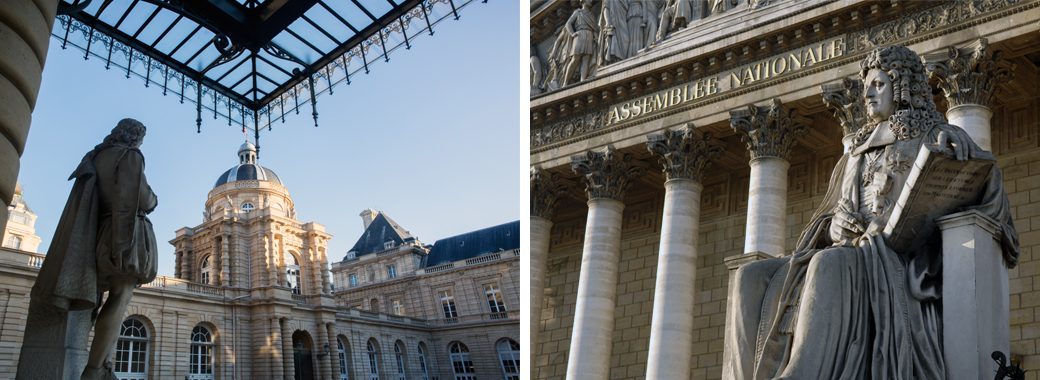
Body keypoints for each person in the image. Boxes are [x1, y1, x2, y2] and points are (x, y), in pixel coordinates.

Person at [722, 45, 1019, 380]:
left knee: (828, 262)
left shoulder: (937, 136)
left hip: (898, 261)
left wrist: (959, 152)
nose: (868, 94)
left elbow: (987, 186)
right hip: (848, 251)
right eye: (866, 86)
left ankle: (800, 373)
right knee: (751, 276)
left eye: (878, 84)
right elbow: (826, 217)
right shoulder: (856, 150)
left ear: (903, 87)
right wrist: (833, 227)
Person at [31, 119, 158, 380]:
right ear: (135, 137)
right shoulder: (130, 155)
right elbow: (142, 198)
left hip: (97, 231)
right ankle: (95, 368)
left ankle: (104, 363)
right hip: (124, 232)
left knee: (100, 296)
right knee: (121, 296)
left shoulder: (95, 155)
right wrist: (154, 198)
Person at [562, 0, 597, 86]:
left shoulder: (592, 15)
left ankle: (583, 80)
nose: (591, 1)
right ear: (583, 1)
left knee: (586, 58)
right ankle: (565, 83)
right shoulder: (578, 12)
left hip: (589, 35)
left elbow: (594, 27)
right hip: (580, 34)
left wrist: (595, 35)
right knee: (575, 58)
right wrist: (573, 34)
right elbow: (568, 24)